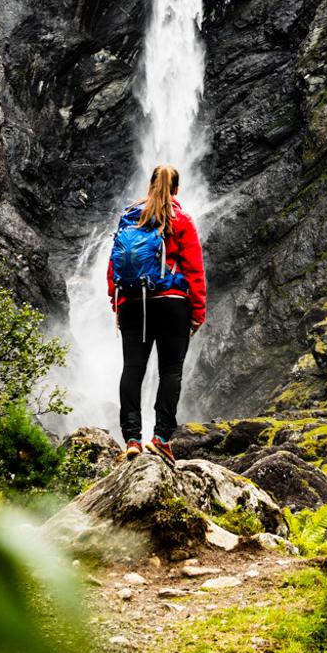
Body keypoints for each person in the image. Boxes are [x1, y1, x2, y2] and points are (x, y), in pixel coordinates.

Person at [107, 164, 205, 462]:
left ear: (149, 185)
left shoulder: (130, 216)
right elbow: (194, 270)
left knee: (132, 370)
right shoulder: (182, 220)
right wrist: (198, 311)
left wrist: (117, 302)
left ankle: (132, 439)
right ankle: (161, 437)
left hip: (133, 303)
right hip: (172, 304)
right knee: (171, 371)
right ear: (177, 189)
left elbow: (113, 266)